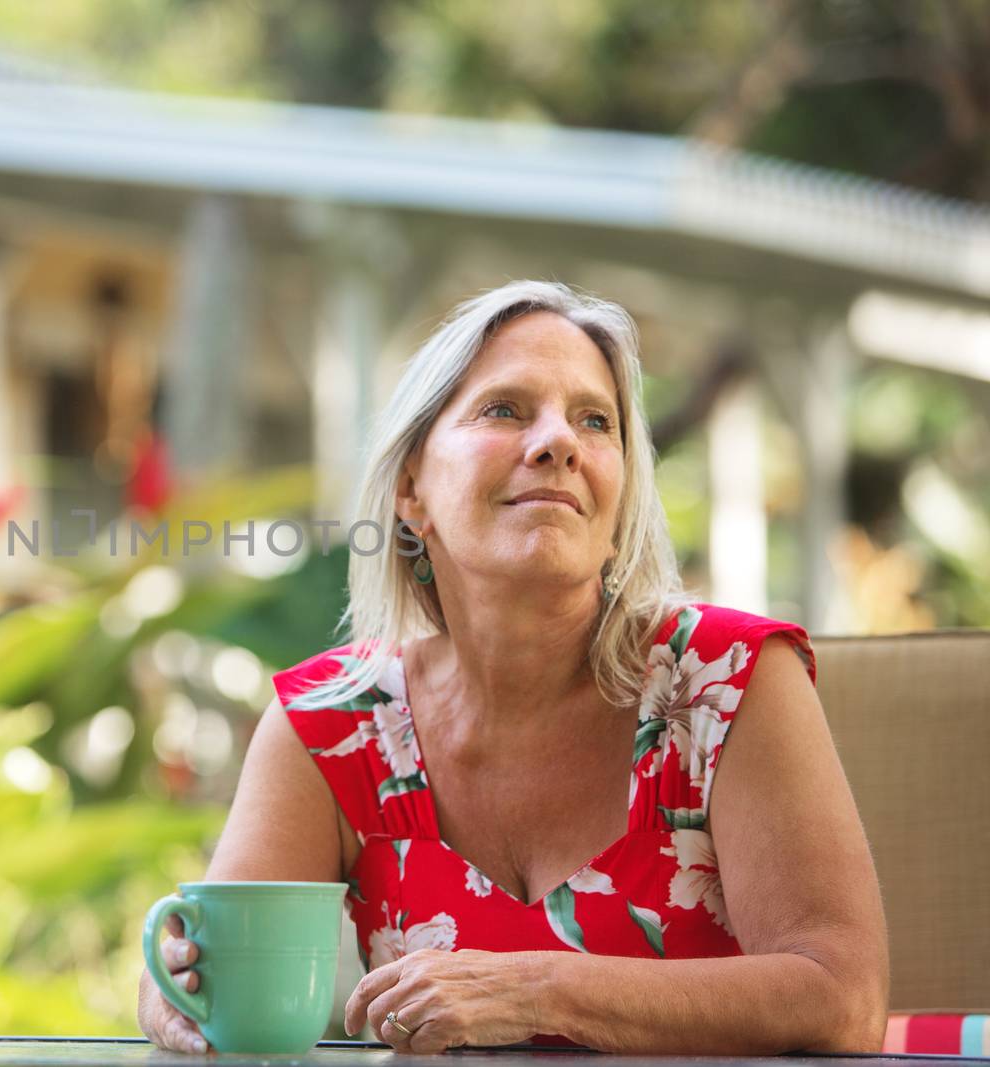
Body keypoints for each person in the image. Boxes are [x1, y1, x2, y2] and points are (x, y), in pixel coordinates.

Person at [138, 280, 888, 1055]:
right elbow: (223, 963)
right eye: (505, 409)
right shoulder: (333, 723)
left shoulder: (727, 681)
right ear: (411, 489)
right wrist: (179, 986)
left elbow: (842, 994)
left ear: (621, 492)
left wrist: (535, 988)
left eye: (594, 420)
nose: (558, 441)